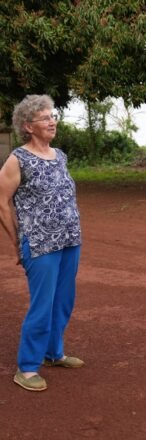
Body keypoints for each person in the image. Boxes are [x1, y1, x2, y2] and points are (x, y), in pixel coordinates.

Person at [0, 95, 84, 392]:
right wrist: (16, 243)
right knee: (42, 305)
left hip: (70, 239)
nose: (52, 121)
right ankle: (27, 367)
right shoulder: (17, 159)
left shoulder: (60, 155)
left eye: (53, 116)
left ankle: (53, 353)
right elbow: (2, 201)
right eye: (45, 118)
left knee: (63, 301)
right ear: (28, 126)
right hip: (39, 244)